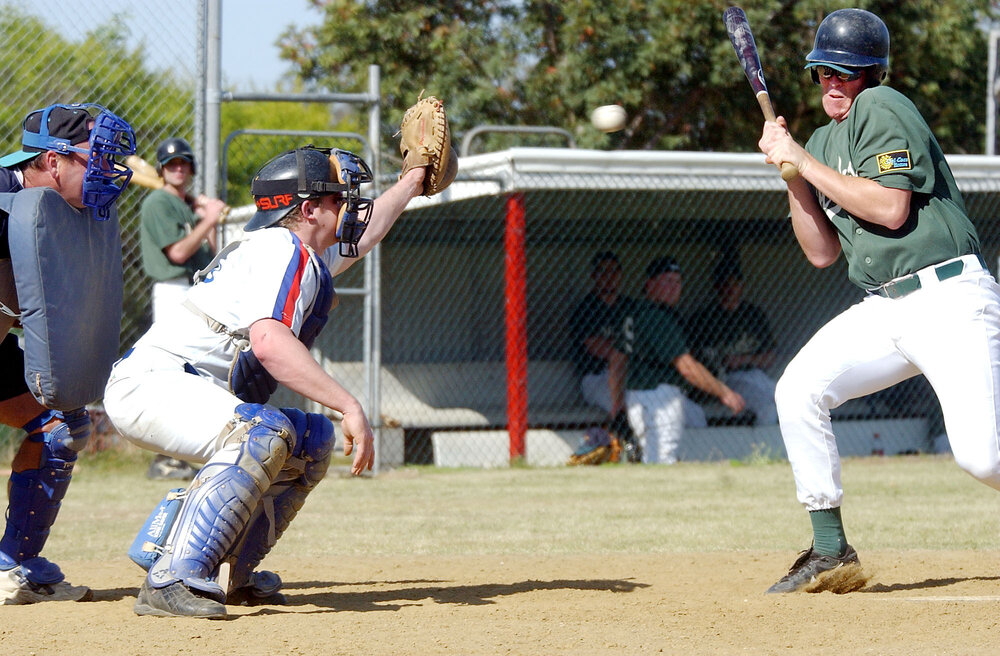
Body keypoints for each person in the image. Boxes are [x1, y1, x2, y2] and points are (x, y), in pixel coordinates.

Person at [103, 145, 429, 618]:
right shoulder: (281, 250)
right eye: (339, 199)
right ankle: (172, 575)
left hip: (175, 385)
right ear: (310, 208)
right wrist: (350, 405)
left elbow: (362, 238)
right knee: (265, 432)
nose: (350, 208)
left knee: (310, 438)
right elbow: (270, 343)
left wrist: (413, 180)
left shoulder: (293, 249)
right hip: (152, 383)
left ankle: (226, 571)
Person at [758, 8, 1000, 593]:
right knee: (798, 389)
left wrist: (806, 161)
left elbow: (891, 208)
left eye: (848, 72)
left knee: (984, 459)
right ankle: (829, 549)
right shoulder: (819, 141)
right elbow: (821, 252)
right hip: (884, 307)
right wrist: (793, 174)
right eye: (825, 73)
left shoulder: (882, 107)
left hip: (946, 297)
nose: (835, 84)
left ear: (872, 74)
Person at [0, 103, 135, 604]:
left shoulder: (69, 214)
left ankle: (14, 564)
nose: (107, 174)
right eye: (94, 160)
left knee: (61, 429)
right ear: (53, 162)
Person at [139, 137, 226, 481]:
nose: (178, 168)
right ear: (161, 170)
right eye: (171, 164)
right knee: (173, 373)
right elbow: (177, 253)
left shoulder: (185, 205)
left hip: (195, 289)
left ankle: (184, 452)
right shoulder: (158, 202)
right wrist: (210, 218)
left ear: (191, 169)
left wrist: (208, 219)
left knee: (195, 372)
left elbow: (211, 254)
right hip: (173, 290)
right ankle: (164, 457)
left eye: (184, 163)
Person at [608, 256, 745, 464]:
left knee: (653, 460)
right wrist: (724, 392)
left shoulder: (635, 313)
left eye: (677, 281)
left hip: (637, 397)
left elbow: (617, 362)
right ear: (649, 284)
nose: (673, 287)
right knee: (663, 463)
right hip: (660, 399)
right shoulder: (656, 317)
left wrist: (618, 402)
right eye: (667, 281)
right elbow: (687, 367)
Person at [687, 258, 778, 425]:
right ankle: (765, 449)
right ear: (716, 286)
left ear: (742, 285)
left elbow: (771, 357)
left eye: (735, 283)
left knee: (789, 398)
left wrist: (742, 360)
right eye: (725, 283)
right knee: (768, 408)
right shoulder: (704, 318)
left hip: (758, 375)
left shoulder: (754, 314)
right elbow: (691, 358)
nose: (730, 288)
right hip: (728, 379)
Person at [568, 251, 637, 413]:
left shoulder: (630, 306)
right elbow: (598, 348)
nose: (609, 276)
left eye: (613, 271)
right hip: (598, 377)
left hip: (631, 374)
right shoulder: (586, 309)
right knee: (630, 408)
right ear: (594, 275)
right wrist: (632, 350)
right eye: (603, 271)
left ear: (620, 274)